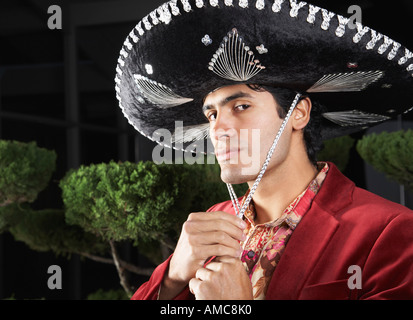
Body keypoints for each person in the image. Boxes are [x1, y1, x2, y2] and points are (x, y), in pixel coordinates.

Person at [115, 1, 413, 299]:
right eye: (212, 115)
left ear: (298, 113)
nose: (218, 130)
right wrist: (172, 278)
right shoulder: (210, 224)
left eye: (241, 106)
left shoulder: (387, 232)